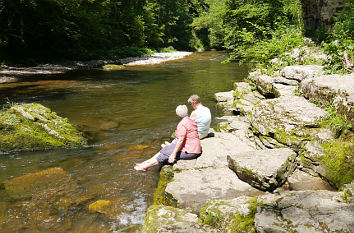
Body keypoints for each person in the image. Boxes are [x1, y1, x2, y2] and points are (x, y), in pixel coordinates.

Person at [134, 105, 201, 172]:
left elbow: (180, 140)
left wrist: (173, 154)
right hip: (193, 148)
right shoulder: (190, 120)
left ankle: (144, 167)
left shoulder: (182, 124)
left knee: (164, 155)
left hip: (190, 151)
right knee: (166, 149)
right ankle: (146, 162)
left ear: (177, 115)